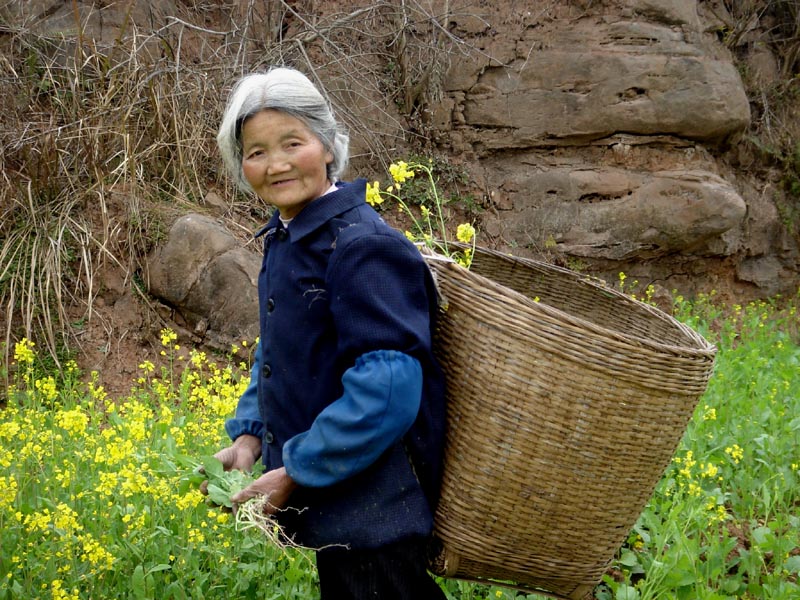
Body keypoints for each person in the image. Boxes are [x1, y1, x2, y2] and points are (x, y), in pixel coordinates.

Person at [208, 66, 448, 599]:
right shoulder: (292, 236)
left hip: (376, 511)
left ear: (329, 145)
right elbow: (279, 349)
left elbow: (388, 385)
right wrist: (249, 433)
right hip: (341, 508)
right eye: (255, 151)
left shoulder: (361, 245)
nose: (277, 164)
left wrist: (296, 469)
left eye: (293, 142)